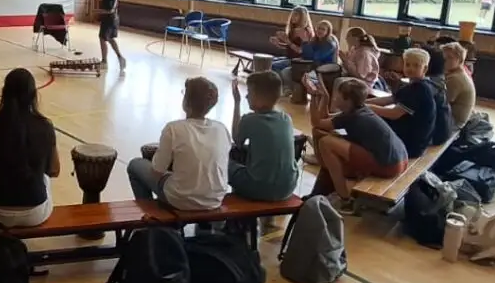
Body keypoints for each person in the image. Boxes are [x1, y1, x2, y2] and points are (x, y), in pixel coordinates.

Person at [0, 68, 59, 227]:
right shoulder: (45, 127)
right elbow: (54, 171)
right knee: (44, 178)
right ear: (33, 95)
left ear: (4, 93)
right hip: (36, 213)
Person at [305, 77, 408, 214]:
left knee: (326, 143)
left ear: (347, 101)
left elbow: (317, 122)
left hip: (390, 165)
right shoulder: (359, 109)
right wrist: (325, 96)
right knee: (328, 137)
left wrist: (313, 96)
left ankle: (345, 199)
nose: (335, 99)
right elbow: (326, 119)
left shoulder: (351, 117)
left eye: (338, 96)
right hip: (400, 159)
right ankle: (332, 187)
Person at [126, 77, 231, 210]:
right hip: (215, 199)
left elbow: (157, 171)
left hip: (180, 199)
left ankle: (150, 217)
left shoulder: (173, 128)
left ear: (186, 102)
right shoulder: (221, 128)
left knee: (135, 165)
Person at [227, 72, 298, 202]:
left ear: (260, 98)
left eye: (249, 92)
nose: (247, 96)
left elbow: (237, 140)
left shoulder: (251, 120)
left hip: (259, 188)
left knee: (224, 162)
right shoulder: (286, 118)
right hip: (288, 187)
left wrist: (237, 103)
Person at [366, 48, 437, 158]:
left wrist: (368, 107)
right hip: (410, 135)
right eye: (407, 64)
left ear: (425, 68)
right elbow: (390, 99)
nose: (410, 68)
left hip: (411, 144)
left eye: (416, 65)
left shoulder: (420, 88)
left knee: (369, 122)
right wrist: (362, 101)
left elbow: (394, 114)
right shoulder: (414, 84)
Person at [280, 20, 338, 91]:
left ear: (327, 32)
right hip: (310, 66)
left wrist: (305, 41)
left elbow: (314, 57)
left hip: (323, 70)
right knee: (285, 72)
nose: (320, 31)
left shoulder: (330, 44)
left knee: (303, 76)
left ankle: (297, 92)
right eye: (318, 28)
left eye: (323, 29)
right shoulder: (314, 41)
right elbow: (305, 54)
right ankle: (292, 91)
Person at [94, 0, 127, 71]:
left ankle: (104, 61)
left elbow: (109, 9)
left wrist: (96, 11)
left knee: (102, 38)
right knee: (110, 38)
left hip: (109, 19)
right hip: (114, 18)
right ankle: (120, 58)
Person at [440, 42, 476, 128]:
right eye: (443, 57)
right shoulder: (457, 73)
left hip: (454, 122)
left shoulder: (456, 79)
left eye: (450, 57)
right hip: (451, 118)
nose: (445, 60)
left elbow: (442, 101)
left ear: (460, 60)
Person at [271, 6, 315, 70]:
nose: (292, 17)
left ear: (302, 18)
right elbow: (290, 46)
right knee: (268, 61)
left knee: (273, 66)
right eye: (292, 14)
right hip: (290, 58)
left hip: (300, 61)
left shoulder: (305, 31)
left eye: (296, 15)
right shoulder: (294, 29)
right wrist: (278, 44)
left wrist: (287, 41)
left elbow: (301, 51)